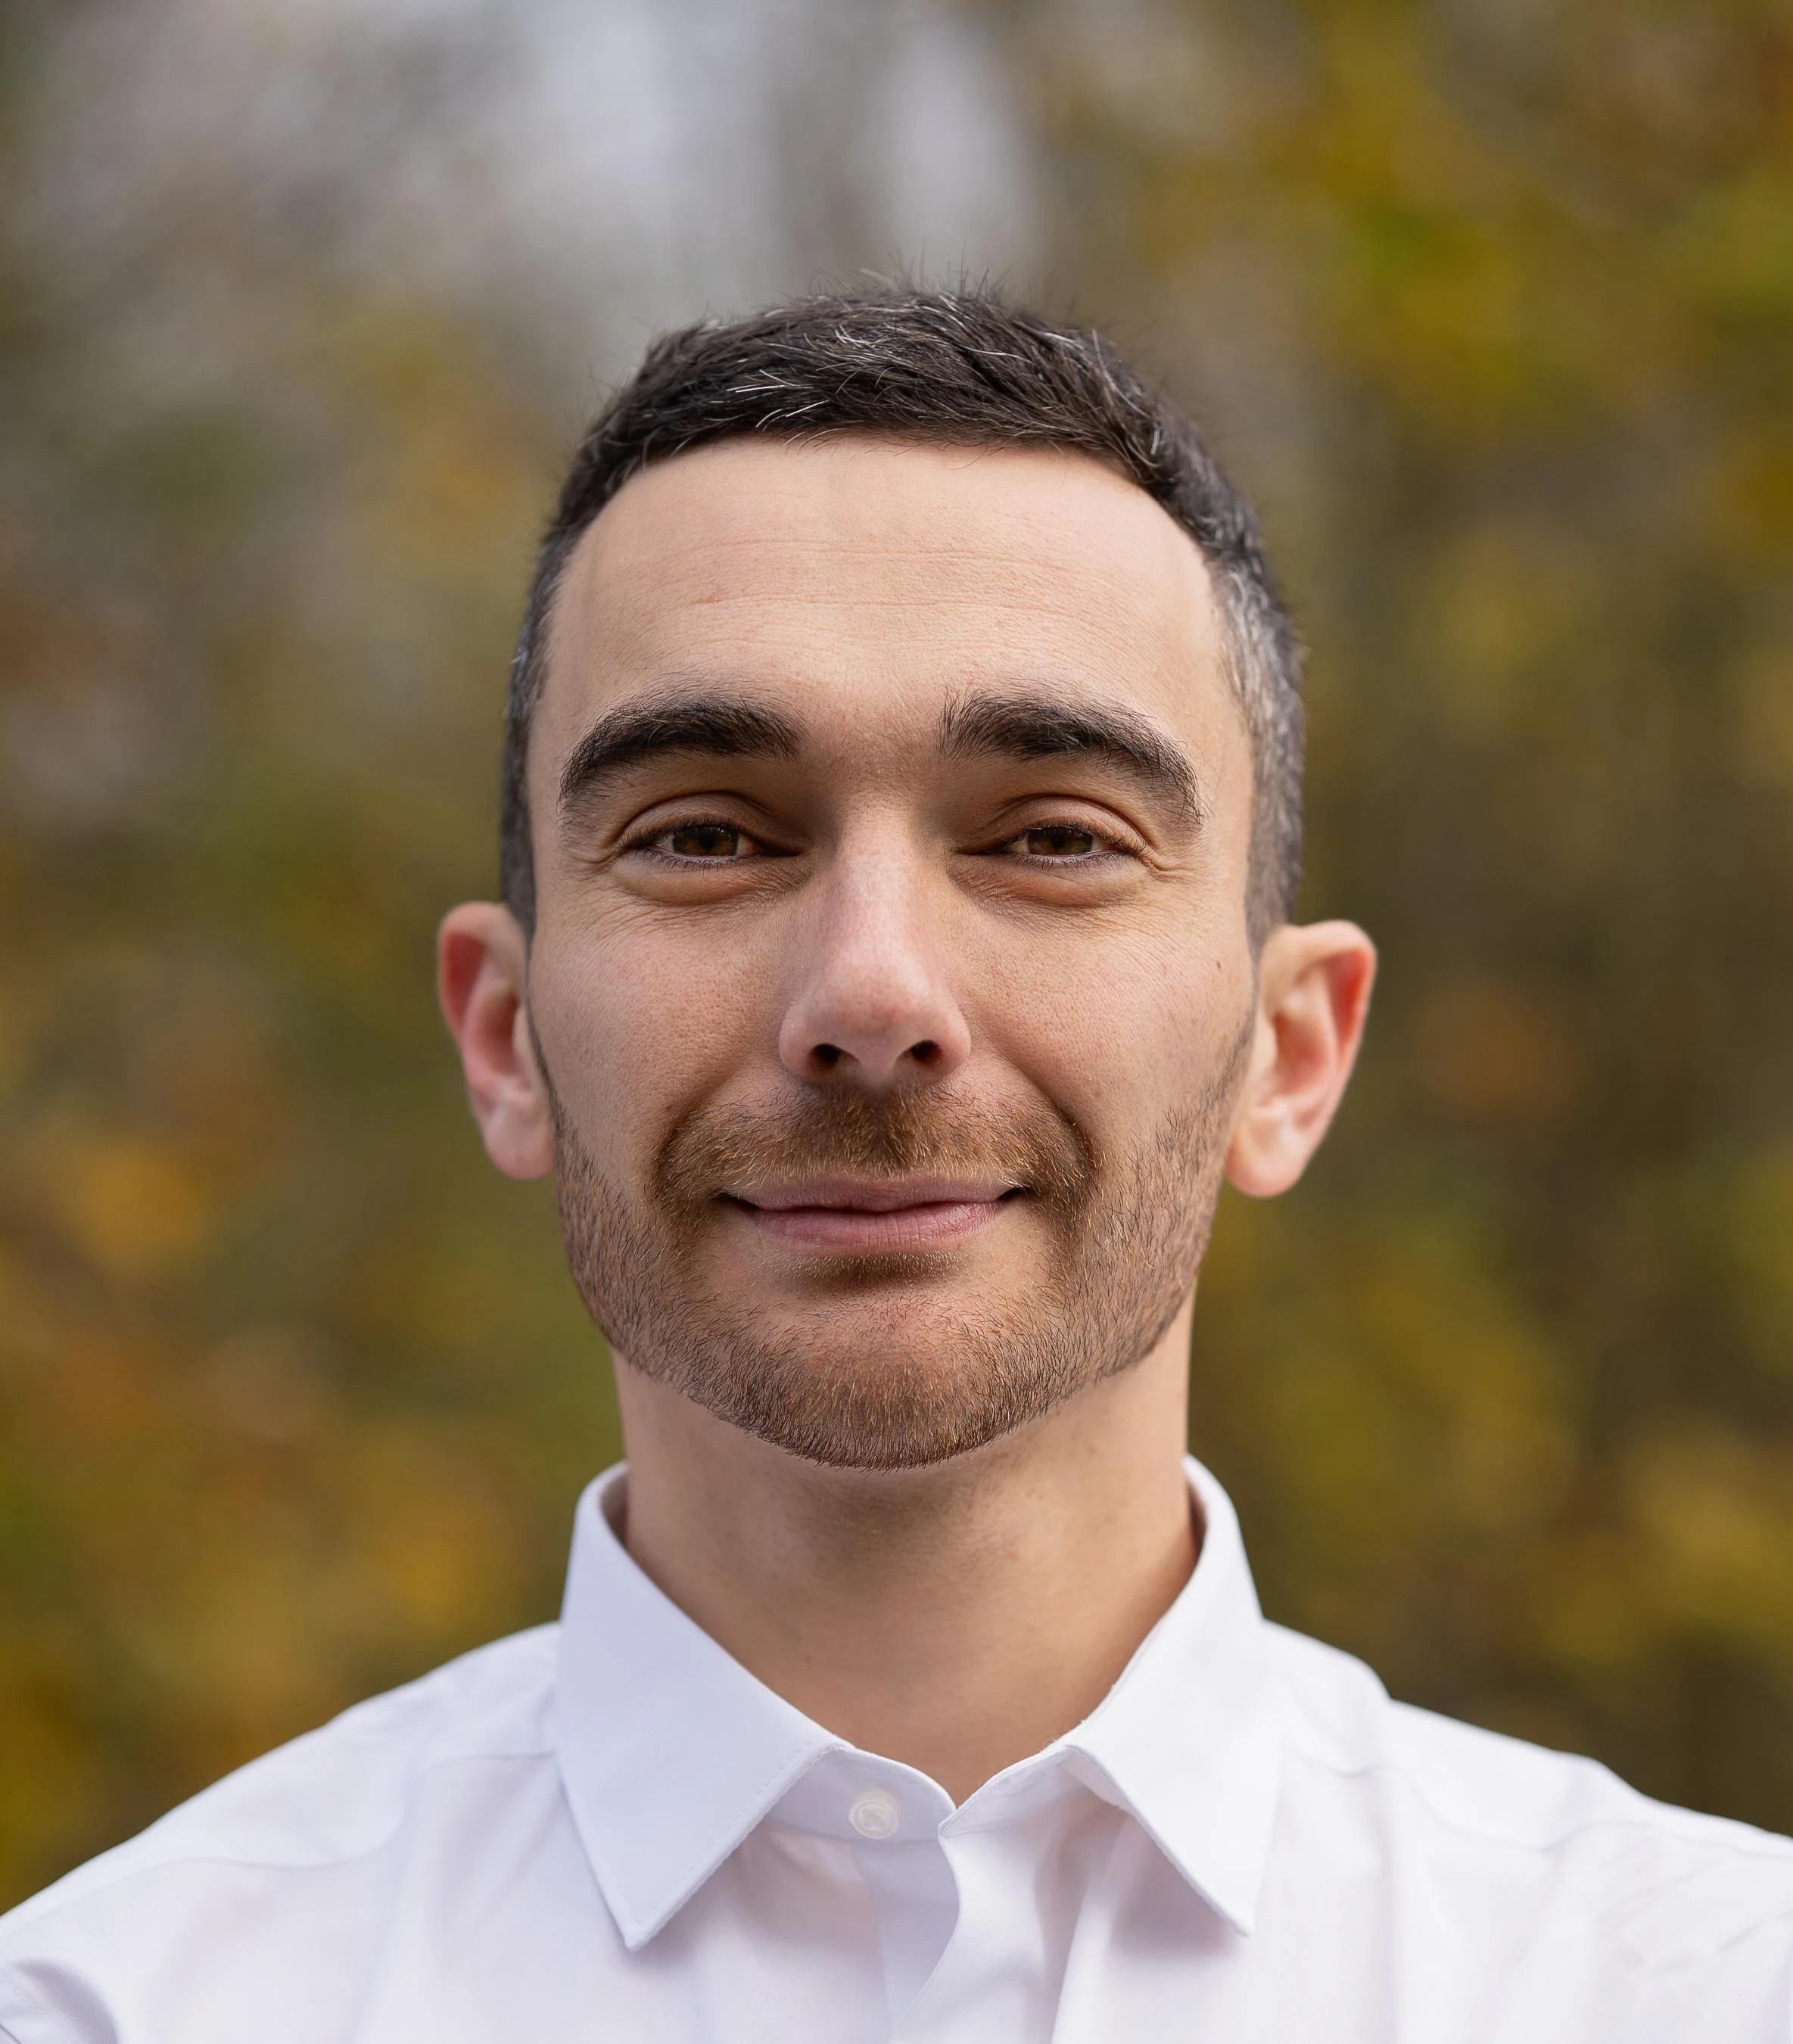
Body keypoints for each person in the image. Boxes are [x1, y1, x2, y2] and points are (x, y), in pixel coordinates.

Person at [2, 288, 1788, 2043]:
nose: (871, 994)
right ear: (504, 1036)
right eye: (703, 833)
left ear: (1289, 1054)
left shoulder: (1700, 1991)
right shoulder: (121, 2005)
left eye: (1051, 839)